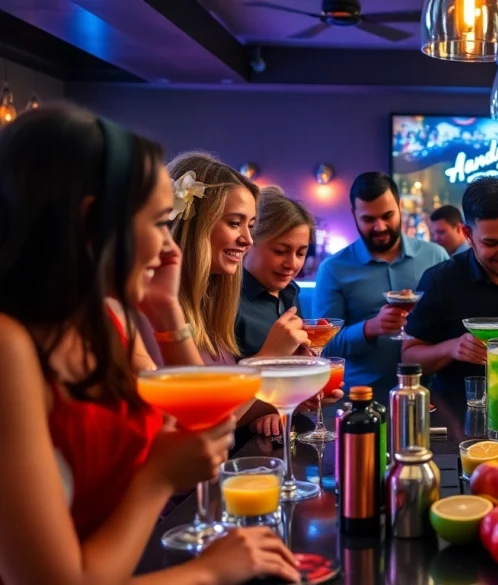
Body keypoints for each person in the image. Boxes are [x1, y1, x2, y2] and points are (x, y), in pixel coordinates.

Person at [0, 105, 300, 585]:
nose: (171, 247)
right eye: (161, 222)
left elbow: (205, 422)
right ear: (94, 222)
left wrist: (166, 312)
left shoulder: (103, 319)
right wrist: (206, 567)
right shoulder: (8, 346)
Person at [403, 178, 498, 394]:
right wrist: (452, 348)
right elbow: (409, 357)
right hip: (458, 418)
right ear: (468, 235)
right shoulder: (440, 280)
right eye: (491, 243)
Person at [162, 152, 309, 366]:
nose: (248, 240)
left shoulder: (211, 306)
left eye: (250, 226)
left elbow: (228, 397)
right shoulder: (159, 309)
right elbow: (199, 398)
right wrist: (269, 359)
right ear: (195, 227)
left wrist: (297, 392)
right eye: (234, 223)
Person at [314, 172, 448, 398]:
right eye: (368, 219)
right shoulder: (333, 269)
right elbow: (323, 346)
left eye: (388, 215)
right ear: (353, 215)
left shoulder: (435, 256)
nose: (380, 226)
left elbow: (453, 325)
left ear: (400, 207)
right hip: (360, 400)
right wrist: (369, 328)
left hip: (429, 398)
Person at [236, 186, 314, 359]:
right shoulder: (228, 300)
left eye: (301, 253)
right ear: (249, 242)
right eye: (280, 251)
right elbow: (217, 380)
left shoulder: (290, 290)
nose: (292, 264)